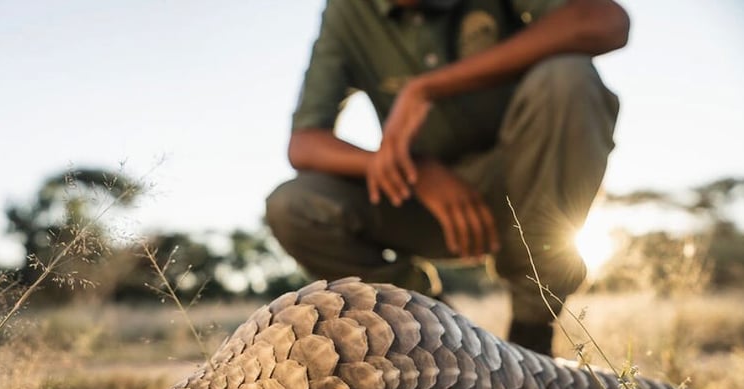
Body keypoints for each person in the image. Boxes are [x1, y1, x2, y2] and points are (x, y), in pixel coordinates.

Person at [266, 0, 629, 356]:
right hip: (424, 205)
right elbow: (304, 143)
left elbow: (606, 21)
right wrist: (413, 171)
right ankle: (439, 332)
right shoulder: (346, 11)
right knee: (294, 206)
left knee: (568, 77)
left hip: (528, 188)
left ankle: (531, 335)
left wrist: (427, 88)